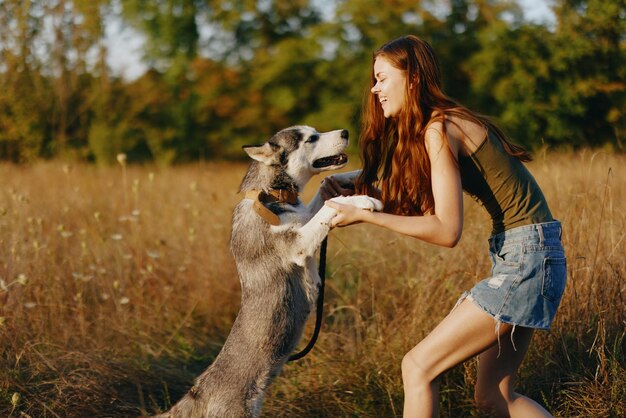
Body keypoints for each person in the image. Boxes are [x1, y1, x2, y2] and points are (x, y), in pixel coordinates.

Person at [319, 35, 566, 417]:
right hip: (529, 256)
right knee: (494, 399)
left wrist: (365, 214)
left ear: (412, 78)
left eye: (383, 78)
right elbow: (413, 190)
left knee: (417, 367)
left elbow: (446, 231)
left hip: (527, 261)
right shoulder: (439, 125)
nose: (375, 88)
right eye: (375, 79)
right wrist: (356, 184)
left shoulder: (439, 128)